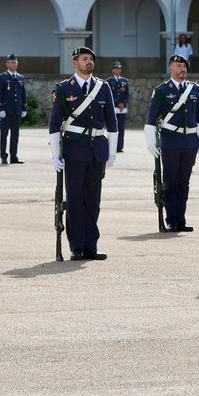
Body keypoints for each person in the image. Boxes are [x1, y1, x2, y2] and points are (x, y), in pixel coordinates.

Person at [49, 46, 119, 261]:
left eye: (91, 59)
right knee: (75, 200)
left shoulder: (103, 87)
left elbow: (112, 123)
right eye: (84, 58)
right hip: (75, 150)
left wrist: (112, 152)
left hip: (97, 150)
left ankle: (91, 246)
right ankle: (77, 246)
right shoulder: (63, 88)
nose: (89, 62)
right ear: (75, 63)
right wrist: (55, 154)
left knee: (93, 201)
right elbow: (54, 124)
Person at [144, 54, 199, 232]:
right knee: (171, 182)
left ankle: (181, 219)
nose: (182, 69)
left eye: (184, 66)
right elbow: (151, 119)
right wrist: (151, 143)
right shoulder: (162, 91)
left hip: (190, 142)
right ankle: (171, 220)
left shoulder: (194, 89)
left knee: (184, 183)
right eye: (178, 66)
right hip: (171, 142)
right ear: (170, 68)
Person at [0, 53, 27, 164]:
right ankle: (3, 156)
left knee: (15, 135)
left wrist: (24, 108)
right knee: (4, 135)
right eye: (12, 62)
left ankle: (14, 157)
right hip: (6, 111)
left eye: (15, 62)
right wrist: (0, 109)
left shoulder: (20, 77)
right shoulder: (2, 77)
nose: (14, 64)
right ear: (7, 64)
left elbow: (23, 94)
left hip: (16, 111)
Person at [107, 61, 130, 152]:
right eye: (116, 69)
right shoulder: (108, 81)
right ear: (113, 70)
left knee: (121, 128)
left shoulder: (124, 81)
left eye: (119, 69)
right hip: (112, 108)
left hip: (122, 109)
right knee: (112, 128)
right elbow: (109, 96)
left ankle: (120, 147)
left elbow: (127, 94)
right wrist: (117, 104)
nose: (118, 70)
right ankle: (112, 147)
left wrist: (123, 103)